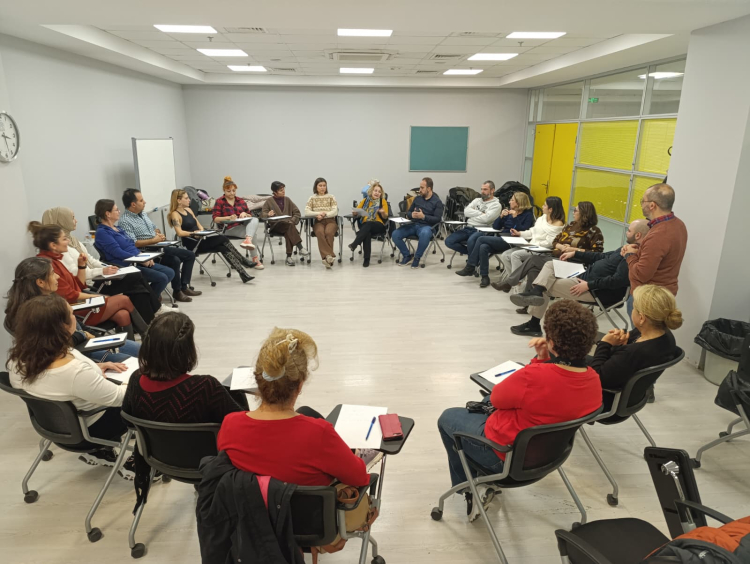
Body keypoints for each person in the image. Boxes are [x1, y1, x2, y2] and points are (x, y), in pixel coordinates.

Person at [437, 300, 602, 521]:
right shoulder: (593, 381)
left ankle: (468, 488)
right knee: (484, 402)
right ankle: (476, 483)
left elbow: (498, 398)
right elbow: (554, 393)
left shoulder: (533, 376)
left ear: (552, 343)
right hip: (551, 455)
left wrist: (538, 363)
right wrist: (545, 361)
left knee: (448, 418)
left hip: (503, 456)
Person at [122, 312, 249, 509]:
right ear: (186, 349)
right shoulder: (204, 386)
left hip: (157, 460)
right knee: (236, 396)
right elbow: (243, 427)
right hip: (207, 465)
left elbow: (129, 422)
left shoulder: (136, 380)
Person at [217, 327, 369, 488]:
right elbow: (359, 478)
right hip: (306, 505)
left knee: (307, 412)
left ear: (258, 381)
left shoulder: (230, 425)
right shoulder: (319, 434)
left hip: (248, 503)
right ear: (300, 385)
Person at [7, 294, 134, 477]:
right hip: (91, 430)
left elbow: (55, 381)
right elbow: (121, 398)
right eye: (72, 314)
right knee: (148, 398)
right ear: (63, 326)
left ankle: (101, 453)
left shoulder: (18, 360)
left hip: (55, 426)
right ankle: (139, 464)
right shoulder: (74, 372)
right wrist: (134, 382)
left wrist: (96, 367)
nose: (75, 316)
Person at [510, 219, 649, 336]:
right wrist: (575, 253)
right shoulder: (626, 248)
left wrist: (589, 285)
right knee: (550, 265)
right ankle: (536, 292)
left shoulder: (633, 255)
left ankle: (533, 324)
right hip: (584, 275)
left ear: (637, 235)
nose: (626, 232)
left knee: (546, 286)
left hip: (595, 290)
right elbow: (602, 256)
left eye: (629, 230)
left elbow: (618, 281)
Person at [4, 256, 140, 367]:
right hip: (78, 354)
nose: (57, 276)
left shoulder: (49, 300)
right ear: (40, 282)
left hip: (87, 344)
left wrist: (95, 336)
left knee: (143, 350)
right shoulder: (38, 313)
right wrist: (84, 335)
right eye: (52, 273)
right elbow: (57, 344)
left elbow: (78, 326)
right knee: (137, 363)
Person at [41, 207, 165, 323]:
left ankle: (150, 317)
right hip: (93, 282)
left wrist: (106, 267)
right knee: (135, 279)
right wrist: (102, 271)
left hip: (96, 277)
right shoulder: (60, 252)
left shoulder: (73, 240)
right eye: (72, 217)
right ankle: (153, 315)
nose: (76, 220)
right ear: (62, 221)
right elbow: (76, 277)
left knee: (136, 282)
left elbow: (91, 260)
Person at [28, 221, 140, 338]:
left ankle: (132, 345)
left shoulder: (57, 260)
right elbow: (69, 295)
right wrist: (98, 297)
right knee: (123, 299)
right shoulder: (48, 265)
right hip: (72, 311)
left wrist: (81, 266)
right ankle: (147, 335)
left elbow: (79, 285)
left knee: (122, 314)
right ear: (53, 245)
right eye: (64, 239)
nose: (68, 241)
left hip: (78, 304)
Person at [589, 284, 682, 411]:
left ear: (642, 318)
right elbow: (630, 343)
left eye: (633, 308)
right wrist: (622, 340)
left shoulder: (635, 352)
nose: (632, 311)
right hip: (631, 395)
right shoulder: (663, 335)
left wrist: (605, 344)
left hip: (608, 402)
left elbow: (597, 377)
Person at [492, 201, 604, 294]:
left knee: (533, 260)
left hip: (575, 264)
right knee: (533, 268)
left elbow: (597, 254)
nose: (573, 212)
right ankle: (528, 299)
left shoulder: (594, 231)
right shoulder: (571, 225)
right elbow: (555, 241)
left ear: (584, 213)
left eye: (576, 210)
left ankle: (510, 283)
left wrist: (573, 250)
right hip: (558, 258)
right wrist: (561, 246)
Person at [119, 189, 201, 303]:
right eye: (141, 200)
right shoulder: (125, 221)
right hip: (146, 251)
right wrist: (153, 240)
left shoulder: (143, 214)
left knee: (186, 256)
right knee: (178, 259)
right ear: (133, 204)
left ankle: (182, 288)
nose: (145, 202)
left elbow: (154, 228)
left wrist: (158, 233)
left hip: (158, 245)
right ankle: (178, 290)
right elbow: (133, 243)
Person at [94, 199, 178, 302]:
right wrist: (140, 259)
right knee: (162, 278)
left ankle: (149, 300)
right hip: (124, 266)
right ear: (108, 214)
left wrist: (143, 256)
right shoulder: (102, 233)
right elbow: (117, 252)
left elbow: (131, 245)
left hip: (136, 260)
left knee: (169, 272)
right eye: (116, 210)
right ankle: (151, 304)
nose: (119, 211)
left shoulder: (118, 228)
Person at [169, 189, 257, 282]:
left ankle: (243, 274)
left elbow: (199, 226)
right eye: (186, 198)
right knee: (222, 238)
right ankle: (243, 261)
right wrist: (193, 233)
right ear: (179, 200)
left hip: (201, 239)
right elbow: (179, 233)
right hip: (192, 243)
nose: (189, 200)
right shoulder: (175, 214)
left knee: (223, 248)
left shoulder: (189, 210)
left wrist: (201, 232)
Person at [622, 183, 687, 302]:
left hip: (647, 299)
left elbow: (641, 274)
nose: (641, 204)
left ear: (652, 205)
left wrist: (629, 255)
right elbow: (661, 254)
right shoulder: (679, 225)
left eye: (643, 201)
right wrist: (640, 249)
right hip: (662, 296)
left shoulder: (658, 235)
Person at [455, 191, 535, 286]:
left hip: (513, 241)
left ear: (519, 202)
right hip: (502, 238)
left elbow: (522, 230)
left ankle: (470, 266)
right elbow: (496, 227)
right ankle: (485, 277)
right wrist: (501, 217)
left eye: (512, 200)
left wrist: (515, 217)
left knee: (481, 239)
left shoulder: (528, 215)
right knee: (483, 247)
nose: (509, 202)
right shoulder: (509, 212)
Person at [392, 177, 445, 269]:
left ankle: (417, 257)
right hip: (413, 224)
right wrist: (411, 214)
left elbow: (437, 219)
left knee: (425, 233)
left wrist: (423, 216)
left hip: (427, 226)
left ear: (429, 188)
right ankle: (407, 256)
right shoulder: (417, 199)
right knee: (395, 234)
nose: (419, 190)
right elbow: (408, 212)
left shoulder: (437, 202)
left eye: (422, 188)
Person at [211, 176, 263, 267]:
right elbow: (215, 219)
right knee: (253, 234)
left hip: (241, 226)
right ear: (224, 190)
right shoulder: (220, 201)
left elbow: (250, 215)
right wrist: (228, 218)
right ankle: (255, 258)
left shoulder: (241, 201)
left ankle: (248, 240)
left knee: (255, 219)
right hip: (227, 228)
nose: (232, 193)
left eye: (234, 191)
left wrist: (245, 214)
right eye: (229, 191)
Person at [444, 181, 502, 258]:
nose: (482, 192)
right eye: (481, 189)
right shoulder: (476, 200)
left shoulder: (496, 205)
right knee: (449, 241)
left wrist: (472, 216)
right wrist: (481, 213)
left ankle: (472, 260)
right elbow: (466, 212)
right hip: (468, 228)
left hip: (482, 230)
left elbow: (486, 219)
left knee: (471, 241)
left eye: (485, 189)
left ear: (492, 190)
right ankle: (474, 255)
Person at [260, 181, 309, 266]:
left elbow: (297, 213)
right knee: (290, 227)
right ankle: (300, 248)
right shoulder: (269, 201)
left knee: (288, 229)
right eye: (281, 190)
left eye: (283, 189)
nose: (283, 191)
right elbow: (262, 215)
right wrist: (268, 214)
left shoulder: (287, 200)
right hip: (276, 226)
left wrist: (292, 221)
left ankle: (289, 257)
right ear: (275, 192)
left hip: (288, 226)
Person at [350, 181, 390, 267]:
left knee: (368, 224)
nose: (377, 193)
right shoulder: (365, 201)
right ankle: (366, 259)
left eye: (379, 192)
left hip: (378, 225)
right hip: (366, 225)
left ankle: (355, 243)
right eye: (375, 191)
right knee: (367, 232)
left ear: (381, 194)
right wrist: (355, 212)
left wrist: (383, 212)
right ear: (371, 191)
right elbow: (357, 210)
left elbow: (386, 216)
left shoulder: (382, 201)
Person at [304, 177, 339, 268]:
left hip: (331, 221)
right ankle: (329, 257)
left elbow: (335, 211)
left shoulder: (331, 197)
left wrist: (325, 214)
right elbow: (307, 212)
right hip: (318, 221)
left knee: (329, 232)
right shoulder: (312, 198)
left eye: (324, 185)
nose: (322, 187)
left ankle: (326, 258)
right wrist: (318, 214)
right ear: (316, 187)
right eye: (320, 185)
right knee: (319, 232)